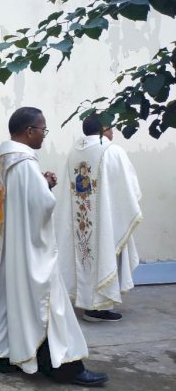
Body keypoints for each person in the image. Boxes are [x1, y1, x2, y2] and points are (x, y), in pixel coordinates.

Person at [0, 107, 108, 387]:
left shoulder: (1, 162)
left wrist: (42, 184)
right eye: (43, 129)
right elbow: (40, 206)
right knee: (50, 306)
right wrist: (46, 186)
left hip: (5, 249)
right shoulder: (25, 163)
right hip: (28, 251)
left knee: (5, 306)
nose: (43, 135)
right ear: (29, 131)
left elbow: (16, 204)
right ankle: (65, 368)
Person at [56, 114, 142, 322]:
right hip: (103, 221)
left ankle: (86, 302)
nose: (112, 132)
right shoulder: (111, 150)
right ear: (103, 129)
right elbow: (129, 188)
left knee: (83, 253)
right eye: (110, 128)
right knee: (101, 251)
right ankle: (96, 307)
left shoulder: (74, 151)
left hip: (80, 221)